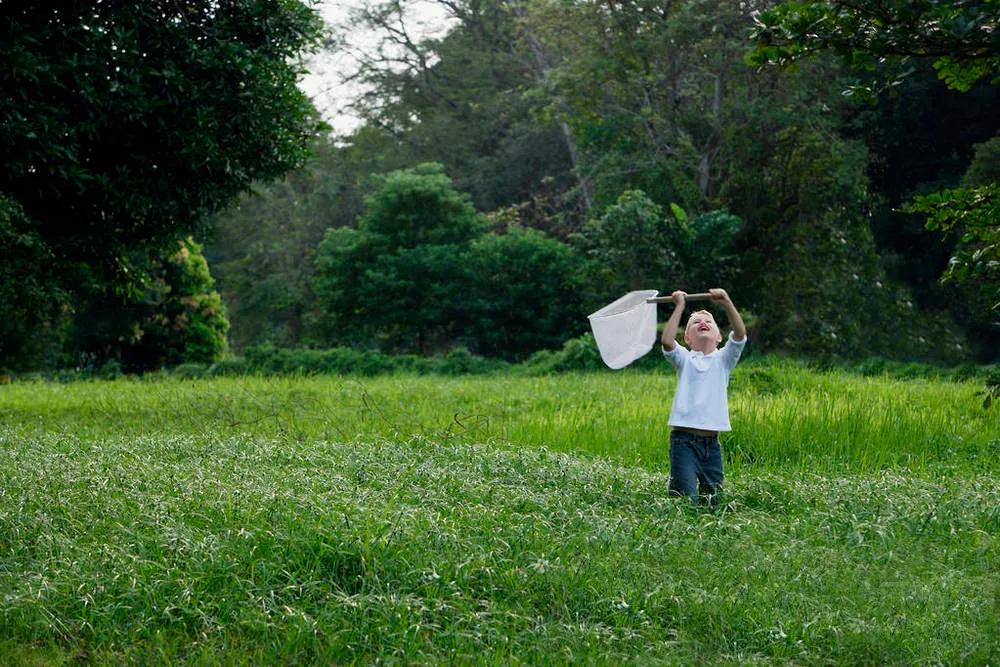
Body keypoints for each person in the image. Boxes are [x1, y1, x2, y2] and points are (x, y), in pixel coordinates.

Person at [660, 288, 746, 506]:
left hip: (712, 445)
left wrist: (727, 302)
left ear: (718, 336)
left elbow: (739, 335)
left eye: (708, 321)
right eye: (695, 322)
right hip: (683, 442)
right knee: (683, 498)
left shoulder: (723, 360)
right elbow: (668, 341)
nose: (702, 322)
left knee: (714, 501)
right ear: (687, 338)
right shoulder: (685, 359)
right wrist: (679, 305)